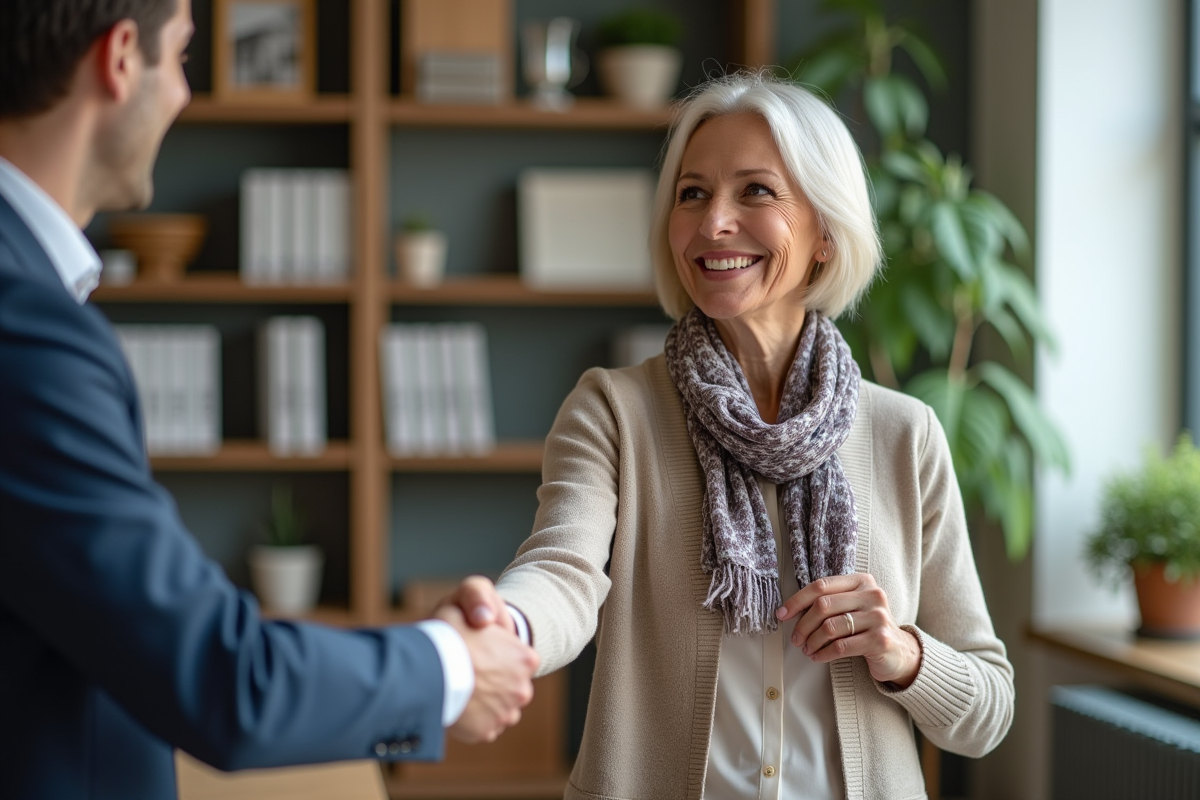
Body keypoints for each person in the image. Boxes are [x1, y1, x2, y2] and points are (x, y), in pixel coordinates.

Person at [0, 1, 537, 797]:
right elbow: (224, 681)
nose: (184, 95)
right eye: (181, 57)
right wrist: (453, 664)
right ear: (118, 59)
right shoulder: (26, 329)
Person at [452, 73, 1015, 799]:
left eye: (755, 191)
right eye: (692, 193)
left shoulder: (906, 434)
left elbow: (988, 712)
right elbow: (563, 572)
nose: (714, 222)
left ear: (824, 232)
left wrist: (901, 651)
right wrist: (506, 624)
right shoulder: (614, 411)